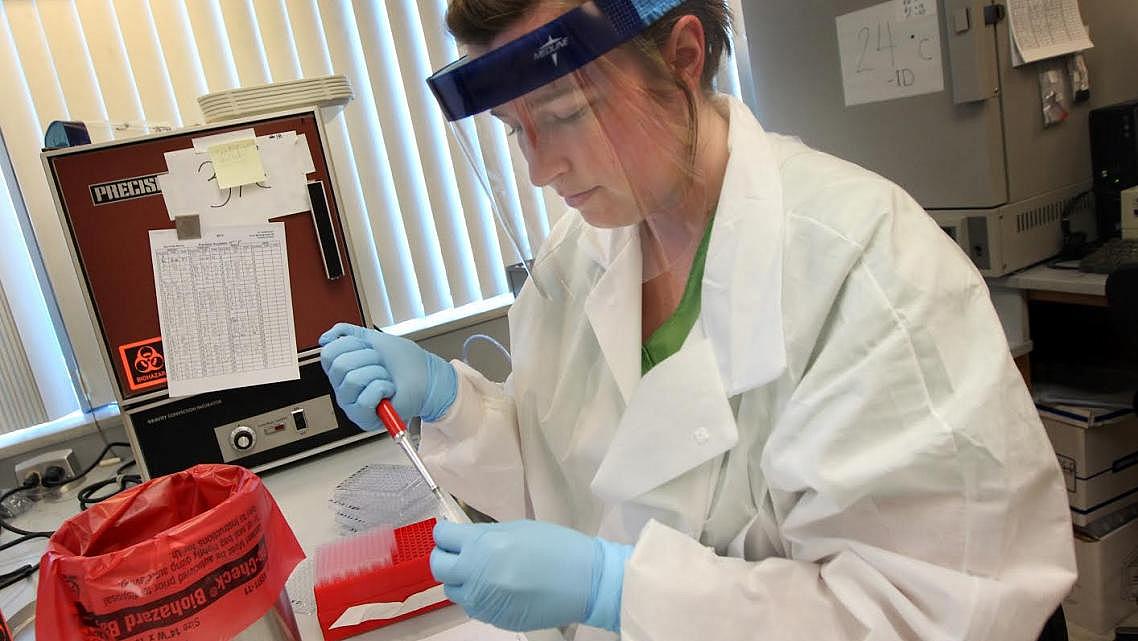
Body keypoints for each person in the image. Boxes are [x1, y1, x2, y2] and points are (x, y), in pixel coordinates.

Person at [319, 1, 1076, 639]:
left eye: (565, 115)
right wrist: (454, 404)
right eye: (517, 131)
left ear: (683, 54)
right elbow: (570, 475)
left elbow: (923, 613)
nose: (539, 168)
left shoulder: (867, 268)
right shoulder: (577, 255)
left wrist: (622, 590)